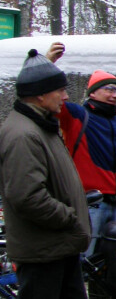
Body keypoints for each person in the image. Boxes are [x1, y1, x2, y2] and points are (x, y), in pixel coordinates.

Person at [0, 49, 90, 298]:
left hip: (58, 248)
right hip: (44, 252)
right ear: (40, 95)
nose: (66, 96)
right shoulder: (24, 134)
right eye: (60, 90)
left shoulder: (40, 125)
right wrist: (68, 217)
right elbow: (27, 196)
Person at [45, 43, 116, 257]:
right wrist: (48, 63)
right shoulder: (77, 116)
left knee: (109, 262)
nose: (115, 95)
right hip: (90, 203)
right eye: (109, 89)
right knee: (84, 259)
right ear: (93, 92)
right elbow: (46, 97)